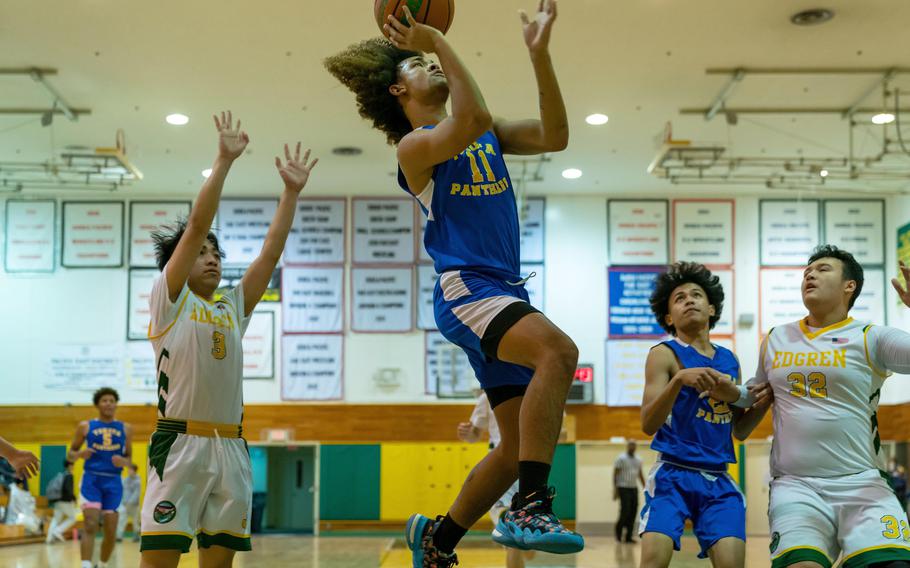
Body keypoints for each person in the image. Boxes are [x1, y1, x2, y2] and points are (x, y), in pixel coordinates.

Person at [326, 1, 580, 565]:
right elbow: (471, 121)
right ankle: (531, 506)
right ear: (397, 91)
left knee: (514, 446)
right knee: (560, 352)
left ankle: (439, 538)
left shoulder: (487, 135)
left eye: (432, 58)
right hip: (468, 290)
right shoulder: (415, 148)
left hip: (504, 293)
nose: (433, 65)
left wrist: (539, 56)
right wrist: (437, 39)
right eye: (418, 64)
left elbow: (556, 135)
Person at [140, 111, 318, 568]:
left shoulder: (230, 309)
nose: (211, 258)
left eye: (216, 253)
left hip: (232, 447)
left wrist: (291, 193)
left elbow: (271, 251)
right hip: (178, 446)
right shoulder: (170, 299)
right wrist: (223, 161)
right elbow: (197, 224)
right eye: (201, 252)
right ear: (177, 263)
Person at [744, 245, 910, 567]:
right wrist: (731, 394)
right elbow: (755, 397)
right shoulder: (776, 338)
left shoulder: (869, 337)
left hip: (862, 483)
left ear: (850, 286)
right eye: (807, 271)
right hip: (796, 486)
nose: (810, 274)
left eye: (822, 269)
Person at [640, 262, 773, 568]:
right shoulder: (664, 354)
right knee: (652, 563)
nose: (689, 300)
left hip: (718, 478)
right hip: (672, 474)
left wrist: (764, 404)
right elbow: (648, 424)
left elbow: (738, 431)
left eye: (697, 295)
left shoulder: (729, 359)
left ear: (712, 309)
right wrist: (677, 381)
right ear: (669, 317)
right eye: (680, 297)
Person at [457, 392, 535, 568]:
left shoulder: (539, 388)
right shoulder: (489, 394)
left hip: (530, 464)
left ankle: (527, 541)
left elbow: (562, 433)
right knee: (512, 533)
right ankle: (519, 535)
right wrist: (467, 433)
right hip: (501, 462)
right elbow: (474, 435)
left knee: (523, 542)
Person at [68, 387, 132, 568]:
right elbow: (70, 455)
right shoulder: (85, 426)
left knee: (111, 531)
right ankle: (86, 565)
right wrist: (80, 454)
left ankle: (103, 564)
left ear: (116, 404)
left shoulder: (126, 428)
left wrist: (123, 461)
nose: (109, 403)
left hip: (113, 481)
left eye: (112, 400)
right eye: (105, 400)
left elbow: (129, 460)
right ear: (97, 404)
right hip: (92, 480)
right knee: (90, 524)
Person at [613, 440, 644, 544]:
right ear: (627, 446)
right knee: (625, 511)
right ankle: (618, 535)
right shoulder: (621, 458)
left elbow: (640, 474)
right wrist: (615, 490)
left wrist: (645, 487)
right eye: (630, 445)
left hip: (633, 488)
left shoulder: (639, 459)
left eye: (634, 445)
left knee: (633, 511)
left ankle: (628, 537)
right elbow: (615, 474)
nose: (632, 447)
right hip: (623, 487)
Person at [45, 460, 77, 543]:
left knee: (56, 519)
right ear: (70, 466)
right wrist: (74, 498)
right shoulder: (69, 476)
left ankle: (49, 538)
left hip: (57, 500)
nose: (73, 466)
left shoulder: (61, 475)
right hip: (65, 501)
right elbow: (69, 490)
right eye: (72, 465)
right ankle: (58, 531)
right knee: (73, 518)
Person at [117, 463, 141, 542]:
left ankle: (136, 536)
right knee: (122, 520)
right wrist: (123, 501)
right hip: (125, 504)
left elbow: (137, 493)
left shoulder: (138, 481)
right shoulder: (126, 480)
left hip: (134, 505)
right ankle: (119, 536)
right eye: (129, 470)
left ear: (134, 471)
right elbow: (122, 491)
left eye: (131, 470)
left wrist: (130, 502)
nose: (129, 471)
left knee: (135, 521)